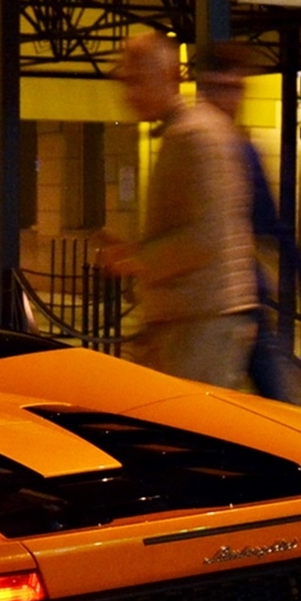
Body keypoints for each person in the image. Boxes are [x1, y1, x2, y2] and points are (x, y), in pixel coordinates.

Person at [190, 46, 301, 403]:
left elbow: (276, 232)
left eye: (236, 88)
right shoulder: (196, 146)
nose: (230, 100)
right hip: (206, 309)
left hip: (242, 302)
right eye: (220, 88)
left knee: (283, 413)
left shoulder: (241, 151)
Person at [104, 33, 255, 389]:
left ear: (169, 76)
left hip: (201, 321)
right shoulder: (193, 131)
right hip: (195, 320)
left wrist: (136, 259)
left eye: (137, 80)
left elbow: (206, 237)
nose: (129, 93)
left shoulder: (194, 135)